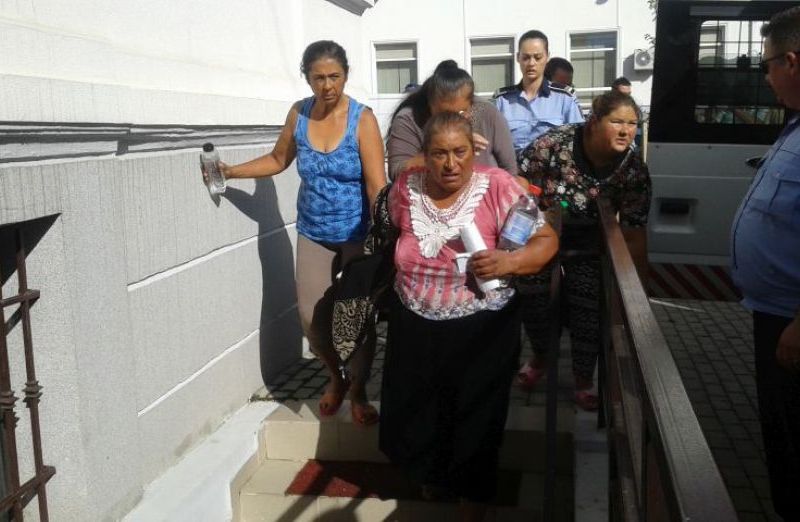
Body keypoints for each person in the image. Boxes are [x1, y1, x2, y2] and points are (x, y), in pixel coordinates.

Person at [380, 112, 558, 521]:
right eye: (439, 153)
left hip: (482, 327)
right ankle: (434, 478)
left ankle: (471, 507)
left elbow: (546, 240)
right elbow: (395, 229)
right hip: (414, 322)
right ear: (424, 154)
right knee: (420, 413)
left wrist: (509, 263)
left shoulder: (497, 185)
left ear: (473, 151)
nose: (450, 164)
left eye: (459, 152)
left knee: (476, 421)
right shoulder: (406, 187)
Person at [208, 40, 387, 425]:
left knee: (355, 318)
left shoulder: (363, 119)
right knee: (310, 318)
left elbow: (377, 184)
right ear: (307, 78)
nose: (327, 85)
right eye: (318, 78)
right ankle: (335, 376)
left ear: (346, 75)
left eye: (334, 76)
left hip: (357, 234)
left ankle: (358, 392)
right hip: (313, 231)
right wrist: (231, 172)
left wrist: (385, 232)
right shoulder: (299, 114)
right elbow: (278, 158)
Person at [516, 91, 651, 411]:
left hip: (591, 244)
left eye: (632, 124)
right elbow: (519, 183)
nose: (626, 131)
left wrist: (638, 295)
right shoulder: (552, 144)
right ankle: (541, 357)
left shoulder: (633, 169)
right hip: (542, 234)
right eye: (616, 122)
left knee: (588, 309)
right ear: (593, 122)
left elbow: (634, 233)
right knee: (532, 298)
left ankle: (583, 379)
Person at [730, 6, 800, 520]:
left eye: (768, 64)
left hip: (794, 325)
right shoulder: (793, 127)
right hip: (776, 317)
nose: (767, 76)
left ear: (791, 61)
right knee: (782, 441)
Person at [387, 60, 517, 180]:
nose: (452, 121)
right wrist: (436, 151)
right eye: (444, 115)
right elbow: (396, 172)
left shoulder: (487, 112)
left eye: (460, 114)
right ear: (429, 106)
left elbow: (510, 171)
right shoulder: (409, 119)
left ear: (472, 106)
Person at [494, 30, 584, 154]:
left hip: (551, 166)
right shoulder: (502, 101)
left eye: (537, 57)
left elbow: (579, 142)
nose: (531, 63)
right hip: (512, 165)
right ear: (518, 57)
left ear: (547, 57)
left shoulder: (564, 99)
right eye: (526, 57)